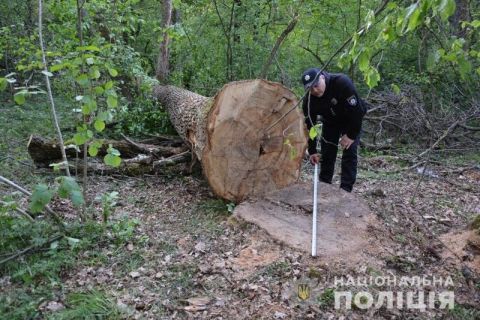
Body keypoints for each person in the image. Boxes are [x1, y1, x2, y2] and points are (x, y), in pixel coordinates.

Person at [301, 67, 366, 192]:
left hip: (351, 120)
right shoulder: (309, 101)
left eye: (316, 85)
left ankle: (345, 190)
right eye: (310, 88)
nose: (314, 90)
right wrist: (312, 150)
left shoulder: (341, 83)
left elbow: (358, 111)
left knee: (349, 151)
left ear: (322, 77)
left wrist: (350, 135)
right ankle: (325, 185)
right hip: (331, 122)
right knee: (328, 151)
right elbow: (310, 125)